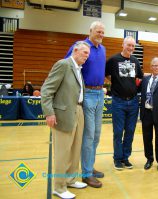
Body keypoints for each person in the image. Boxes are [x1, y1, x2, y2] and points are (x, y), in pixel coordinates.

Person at [41, 41, 90, 199]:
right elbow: (47, 89)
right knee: (62, 152)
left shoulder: (78, 69)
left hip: (78, 110)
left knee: (75, 150)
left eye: (88, 54)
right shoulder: (63, 64)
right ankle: (59, 187)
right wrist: (49, 113)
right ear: (75, 50)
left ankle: (70, 179)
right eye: (84, 53)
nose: (86, 57)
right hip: (63, 113)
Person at [65, 21, 106, 188]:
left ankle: (89, 165)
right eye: (98, 31)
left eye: (103, 32)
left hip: (99, 94)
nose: (101, 35)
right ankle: (86, 174)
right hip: (87, 94)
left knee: (96, 134)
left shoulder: (102, 49)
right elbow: (67, 65)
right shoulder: (80, 46)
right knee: (88, 135)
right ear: (90, 31)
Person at [105, 36, 143, 170]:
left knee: (130, 131)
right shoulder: (113, 60)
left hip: (133, 102)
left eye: (133, 46)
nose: (131, 48)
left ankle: (125, 158)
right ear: (123, 45)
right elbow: (106, 74)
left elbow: (139, 77)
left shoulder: (135, 61)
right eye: (129, 45)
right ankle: (117, 158)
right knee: (118, 131)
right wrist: (116, 83)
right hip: (118, 102)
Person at [140, 57, 158, 172]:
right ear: (151, 67)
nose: (156, 67)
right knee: (147, 139)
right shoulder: (145, 80)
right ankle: (149, 159)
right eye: (154, 65)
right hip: (146, 113)